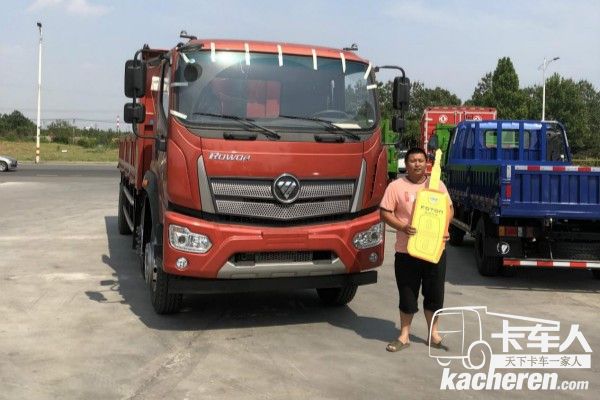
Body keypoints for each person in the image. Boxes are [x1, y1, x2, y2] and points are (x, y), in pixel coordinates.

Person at [379, 147, 454, 352]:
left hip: (434, 251)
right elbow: (385, 213)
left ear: (426, 163)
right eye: (413, 160)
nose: (417, 164)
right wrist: (403, 227)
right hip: (406, 251)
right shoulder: (395, 187)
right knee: (407, 294)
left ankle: (433, 334)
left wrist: (444, 229)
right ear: (406, 163)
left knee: (435, 293)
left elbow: (449, 209)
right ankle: (404, 336)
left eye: (421, 160)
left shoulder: (437, 185)